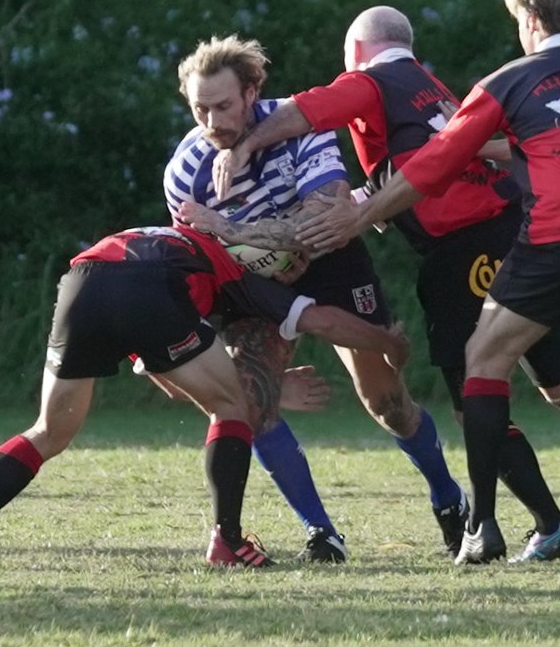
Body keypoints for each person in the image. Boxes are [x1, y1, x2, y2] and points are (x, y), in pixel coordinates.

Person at [211, 5, 560, 561]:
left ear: (357, 52)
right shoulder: (431, 88)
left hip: (464, 251)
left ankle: (548, 526)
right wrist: (368, 200)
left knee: (476, 392)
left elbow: (306, 110)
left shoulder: (372, 81)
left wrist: (244, 144)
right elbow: (439, 160)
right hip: (518, 230)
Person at [333, 0, 560, 561]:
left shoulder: (509, 79)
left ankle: (484, 528)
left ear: (533, 20)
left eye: (519, 20)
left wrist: (361, 216)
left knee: (483, 363)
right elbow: (554, 143)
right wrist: (484, 148)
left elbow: (434, 164)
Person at [0, 224, 412, 569]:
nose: (290, 269)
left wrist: (270, 386)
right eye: (286, 260)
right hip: (150, 287)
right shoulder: (229, 267)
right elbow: (320, 320)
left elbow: (166, 373)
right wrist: (388, 342)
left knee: (48, 431)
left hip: (82, 282)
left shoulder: (168, 239)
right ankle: (228, 541)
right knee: (232, 408)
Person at [162, 35, 465, 561]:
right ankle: (322, 535)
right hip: (253, 283)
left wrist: (233, 229)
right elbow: (206, 259)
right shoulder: (185, 172)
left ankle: (449, 498)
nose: (212, 122)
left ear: (252, 91)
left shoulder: (303, 127)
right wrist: (254, 252)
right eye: (200, 109)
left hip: (332, 264)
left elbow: (324, 220)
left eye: (224, 106)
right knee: (250, 402)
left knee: (385, 401)